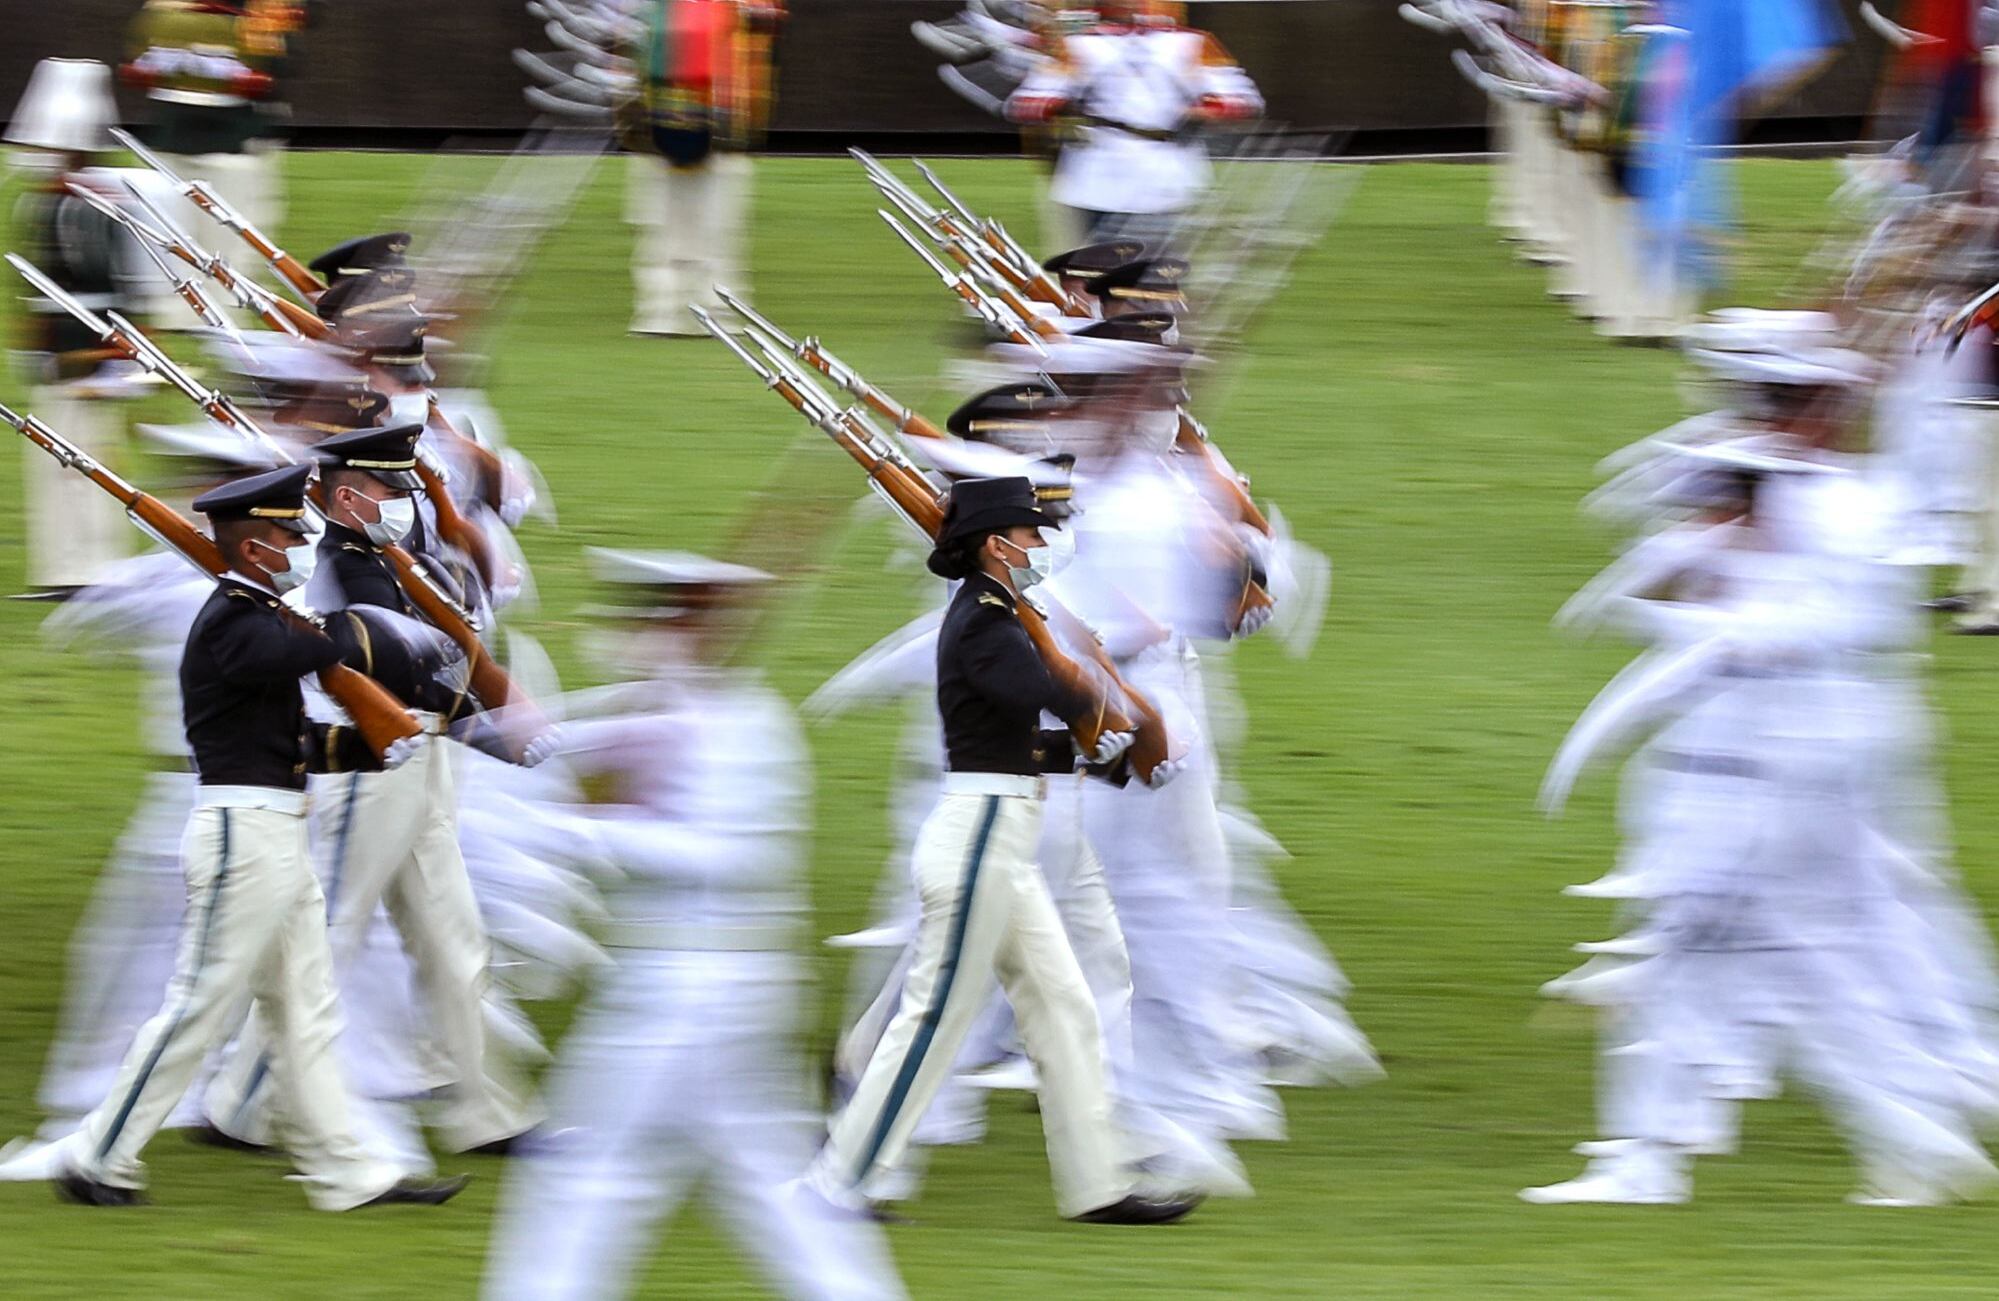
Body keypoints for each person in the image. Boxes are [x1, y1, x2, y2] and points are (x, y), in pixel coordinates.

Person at [483, 548, 904, 1301]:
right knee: (775, 1191)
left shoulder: (738, 728)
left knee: (585, 1176)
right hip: (711, 993)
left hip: (685, 988)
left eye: (654, 619)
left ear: (688, 629)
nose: (634, 633)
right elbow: (542, 738)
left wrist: (589, 831)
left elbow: (727, 854)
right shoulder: (655, 710)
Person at [48, 462, 464, 1209]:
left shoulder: (261, 618)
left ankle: (349, 1171)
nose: (301, 546)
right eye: (287, 535)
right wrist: (365, 627)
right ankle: (98, 1153)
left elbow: (293, 735)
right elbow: (302, 651)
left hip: (276, 831)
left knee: (307, 1006)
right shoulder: (235, 624)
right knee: (199, 1004)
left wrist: (377, 745)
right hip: (243, 838)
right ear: (251, 549)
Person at [804, 476, 1201, 1225]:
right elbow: (1038, 692)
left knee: (1062, 1005)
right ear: (996, 543)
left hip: (1004, 831)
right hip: (981, 836)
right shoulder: (988, 624)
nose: (1041, 545)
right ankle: (837, 1183)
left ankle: (1098, 1181)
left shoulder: (1002, 617)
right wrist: (1099, 692)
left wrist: (1099, 753)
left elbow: (1019, 746)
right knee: (934, 1019)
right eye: (1030, 533)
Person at [200, 424, 546, 1157]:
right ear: (349, 495)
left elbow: (452, 631)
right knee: (332, 931)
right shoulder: (339, 564)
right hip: (379, 761)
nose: (403, 499)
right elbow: (400, 666)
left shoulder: (384, 556)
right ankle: (243, 1100)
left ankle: (487, 1109)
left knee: (453, 936)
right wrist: (484, 723)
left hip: (423, 756)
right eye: (390, 489)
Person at [6, 57, 148, 595]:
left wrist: (116, 352)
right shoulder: (45, 202)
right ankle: (64, 569)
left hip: (89, 345)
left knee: (89, 459)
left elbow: (118, 285)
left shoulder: (98, 203)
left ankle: (96, 569)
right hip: (57, 350)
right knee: (53, 464)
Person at [1005, 0, 1261, 248]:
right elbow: (1027, 104)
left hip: (1162, 177)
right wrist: (1056, 100)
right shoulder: (1080, 44)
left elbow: (1242, 100)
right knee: (1092, 275)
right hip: (1095, 175)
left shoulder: (1191, 42)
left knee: (1156, 277)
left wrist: (1201, 110)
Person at [618, 0, 785, 336]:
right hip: (696, 117)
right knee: (699, 222)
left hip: (689, 116)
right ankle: (693, 308)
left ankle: (683, 308)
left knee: (693, 221)